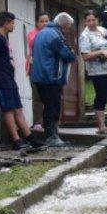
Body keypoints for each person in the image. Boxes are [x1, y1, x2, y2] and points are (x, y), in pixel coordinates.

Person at [0, 11, 42, 150]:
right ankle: (16, 140)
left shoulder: (4, 38)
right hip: (1, 79)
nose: (14, 25)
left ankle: (29, 137)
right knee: (8, 109)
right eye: (12, 23)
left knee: (18, 108)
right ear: (5, 23)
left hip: (9, 79)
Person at [31, 12, 77, 147]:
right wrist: (72, 53)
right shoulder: (55, 36)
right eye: (68, 27)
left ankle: (49, 136)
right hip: (50, 77)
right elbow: (67, 55)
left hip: (39, 76)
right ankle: (52, 137)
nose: (68, 30)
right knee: (53, 107)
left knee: (47, 106)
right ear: (65, 25)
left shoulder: (42, 33)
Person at [79, 10, 107, 135]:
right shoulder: (85, 35)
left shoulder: (103, 30)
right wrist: (99, 53)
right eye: (89, 20)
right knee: (101, 97)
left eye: (94, 20)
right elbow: (85, 56)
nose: (91, 22)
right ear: (85, 21)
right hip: (98, 72)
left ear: (97, 20)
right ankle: (101, 127)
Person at [26, 11, 49, 131]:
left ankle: (50, 122)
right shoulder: (32, 34)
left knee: (50, 97)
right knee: (37, 97)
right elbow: (34, 43)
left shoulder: (53, 33)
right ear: (36, 23)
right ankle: (38, 122)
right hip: (35, 69)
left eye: (47, 21)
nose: (45, 23)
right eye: (41, 21)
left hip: (49, 70)